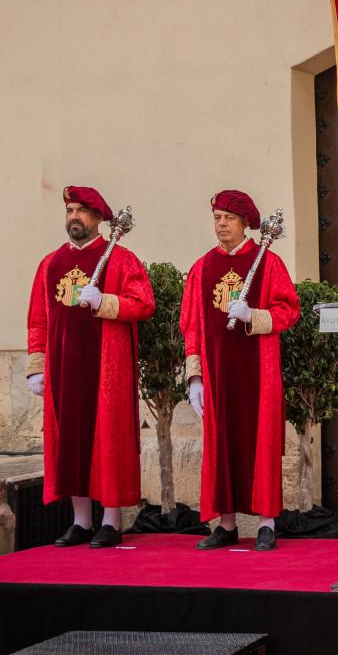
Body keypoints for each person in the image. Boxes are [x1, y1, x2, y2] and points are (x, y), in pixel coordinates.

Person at [26, 186, 155, 549]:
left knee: (107, 441)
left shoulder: (119, 259)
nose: (74, 217)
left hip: (105, 369)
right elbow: (38, 319)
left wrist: (106, 302)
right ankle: (81, 521)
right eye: (70, 210)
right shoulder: (50, 264)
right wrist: (36, 366)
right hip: (63, 369)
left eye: (82, 211)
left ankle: (111, 521)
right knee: (71, 443)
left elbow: (143, 304)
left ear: (98, 218)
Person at [181, 191, 301, 551]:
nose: (221, 225)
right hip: (218, 375)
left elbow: (289, 310)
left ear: (245, 222)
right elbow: (191, 326)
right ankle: (227, 523)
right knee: (222, 446)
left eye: (228, 218)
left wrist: (255, 316)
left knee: (260, 442)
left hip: (258, 374)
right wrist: (195, 377)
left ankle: (266, 523)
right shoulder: (202, 267)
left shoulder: (268, 263)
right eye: (217, 217)